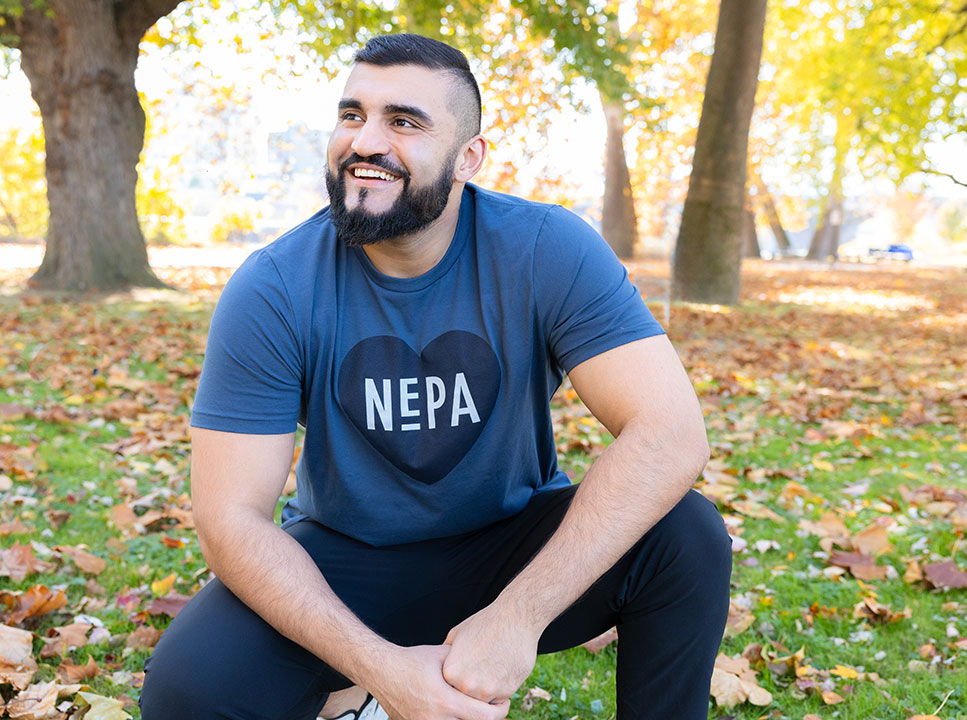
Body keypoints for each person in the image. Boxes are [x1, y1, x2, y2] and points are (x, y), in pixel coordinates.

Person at [140, 33, 731, 720]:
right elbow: (229, 517)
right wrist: (386, 673)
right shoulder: (274, 286)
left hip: (507, 546)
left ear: (469, 157)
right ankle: (355, 697)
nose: (366, 142)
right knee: (187, 693)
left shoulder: (546, 249)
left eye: (405, 122)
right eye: (352, 115)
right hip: (346, 559)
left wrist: (517, 617)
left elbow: (672, 433)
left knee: (686, 537)